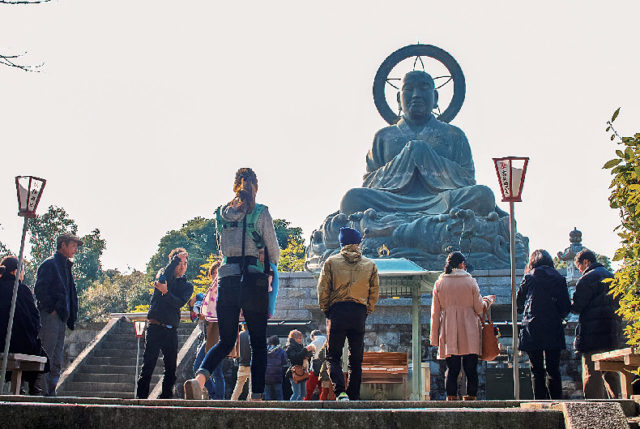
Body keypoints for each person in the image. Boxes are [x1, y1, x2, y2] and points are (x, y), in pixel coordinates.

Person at [184, 168, 280, 400]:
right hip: (253, 281)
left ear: (235, 187)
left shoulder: (221, 214)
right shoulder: (260, 212)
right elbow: (274, 253)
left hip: (227, 280)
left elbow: (223, 248)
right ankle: (256, 397)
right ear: (255, 187)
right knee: (258, 343)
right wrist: (262, 253)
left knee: (226, 341)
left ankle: (199, 381)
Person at [317, 227, 380, 401]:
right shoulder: (370, 264)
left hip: (337, 311)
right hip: (359, 312)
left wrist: (326, 309)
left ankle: (340, 392)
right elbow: (374, 292)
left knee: (333, 356)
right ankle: (354, 395)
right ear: (359, 243)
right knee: (356, 358)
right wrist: (367, 310)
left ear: (341, 243)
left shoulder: (331, 262)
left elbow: (323, 289)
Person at [429, 251, 494, 400]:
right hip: (470, 328)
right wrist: (488, 301)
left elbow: (435, 312)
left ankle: (451, 398)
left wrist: (434, 338)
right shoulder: (470, 281)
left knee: (452, 369)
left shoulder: (440, 282)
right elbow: (479, 308)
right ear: (461, 264)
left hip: (448, 328)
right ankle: (471, 398)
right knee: (470, 369)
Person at [136, 248, 193, 399]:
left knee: (170, 369)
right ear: (172, 263)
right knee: (148, 366)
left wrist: (166, 293)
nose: (182, 266)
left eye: (185, 263)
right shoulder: (163, 275)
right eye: (179, 263)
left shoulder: (187, 286)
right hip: (155, 326)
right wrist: (175, 260)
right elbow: (165, 276)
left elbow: (178, 303)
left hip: (171, 329)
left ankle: (166, 400)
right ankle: (140, 400)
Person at [516, 249, 571, 399]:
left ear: (533, 262)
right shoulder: (559, 278)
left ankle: (540, 401)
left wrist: (524, 310)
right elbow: (566, 306)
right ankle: (556, 400)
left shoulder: (529, 277)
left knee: (536, 369)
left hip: (532, 327)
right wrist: (556, 314)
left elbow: (518, 301)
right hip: (553, 326)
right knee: (553, 368)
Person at [34, 233, 82, 396]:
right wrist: (52, 308)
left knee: (56, 359)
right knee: (46, 355)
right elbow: (40, 290)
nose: (75, 249)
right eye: (73, 245)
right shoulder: (50, 264)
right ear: (63, 245)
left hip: (61, 318)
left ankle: (50, 393)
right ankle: (41, 393)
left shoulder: (65, 266)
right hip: (50, 317)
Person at [572, 249, 622, 399]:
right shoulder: (612, 277)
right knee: (612, 371)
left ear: (586, 262)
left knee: (591, 374)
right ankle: (619, 403)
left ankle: (595, 409)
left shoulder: (587, 279)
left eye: (579, 267)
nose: (579, 271)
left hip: (592, 334)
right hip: (612, 333)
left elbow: (577, 306)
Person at [0, 256, 48, 394]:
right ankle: (32, 387)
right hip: (14, 342)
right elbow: (33, 319)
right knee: (37, 349)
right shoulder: (20, 290)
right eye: (22, 272)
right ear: (15, 272)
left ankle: (19, 385)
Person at [191, 260, 225, 399]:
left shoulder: (223, 290)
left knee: (203, 367)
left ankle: (218, 398)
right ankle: (216, 397)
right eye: (214, 273)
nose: (216, 275)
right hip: (207, 334)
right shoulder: (206, 293)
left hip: (218, 334)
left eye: (219, 273)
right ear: (211, 275)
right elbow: (195, 315)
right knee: (214, 369)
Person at [285, 329, 314, 401]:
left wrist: (309, 352)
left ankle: (298, 406)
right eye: (299, 338)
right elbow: (295, 358)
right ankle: (290, 408)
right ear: (294, 338)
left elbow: (303, 355)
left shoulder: (300, 346)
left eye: (301, 338)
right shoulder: (290, 347)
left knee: (303, 394)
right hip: (295, 372)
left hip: (302, 371)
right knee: (296, 393)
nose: (301, 340)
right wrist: (305, 350)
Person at [304, 329, 327, 400]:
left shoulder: (316, 340)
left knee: (309, 387)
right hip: (326, 366)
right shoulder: (326, 339)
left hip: (315, 367)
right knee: (322, 388)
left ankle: (305, 403)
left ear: (313, 336)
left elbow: (308, 349)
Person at [231, 325, 251, 400]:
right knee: (251, 387)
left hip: (242, 364)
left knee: (238, 386)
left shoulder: (240, 335)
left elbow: (236, 349)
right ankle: (250, 403)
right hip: (252, 364)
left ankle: (233, 400)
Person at [264, 335, 288, 400]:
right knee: (279, 394)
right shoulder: (281, 351)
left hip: (266, 375)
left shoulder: (264, 350)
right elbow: (285, 362)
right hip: (277, 376)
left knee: (267, 394)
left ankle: (267, 409)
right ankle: (280, 409)